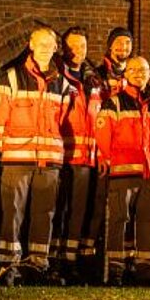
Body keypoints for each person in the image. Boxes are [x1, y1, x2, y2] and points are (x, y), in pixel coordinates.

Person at [0, 25, 68, 286]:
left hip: (49, 162)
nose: (47, 48)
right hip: (17, 159)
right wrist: (9, 147)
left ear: (56, 48)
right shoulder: (11, 77)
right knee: (13, 214)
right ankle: (8, 270)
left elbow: (65, 121)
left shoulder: (62, 82)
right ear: (31, 46)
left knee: (44, 214)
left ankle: (38, 267)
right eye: (41, 44)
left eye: (51, 44)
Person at [94, 56, 150, 286]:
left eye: (143, 70)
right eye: (133, 70)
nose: (139, 74)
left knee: (149, 222)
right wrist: (107, 158)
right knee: (118, 220)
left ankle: (145, 272)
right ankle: (116, 270)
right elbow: (103, 135)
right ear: (125, 74)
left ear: (149, 74)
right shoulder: (114, 102)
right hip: (123, 171)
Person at [80, 27, 133, 282]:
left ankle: (119, 268)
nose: (123, 48)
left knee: (122, 214)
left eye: (127, 44)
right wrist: (102, 152)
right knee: (96, 209)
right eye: (119, 44)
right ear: (110, 47)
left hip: (124, 158)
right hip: (101, 154)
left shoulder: (134, 77)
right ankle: (89, 266)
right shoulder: (96, 76)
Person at [52, 27, 102, 285]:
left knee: (79, 213)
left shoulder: (92, 81)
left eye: (82, 46)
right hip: (63, 155)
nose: (78, 51)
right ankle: (54, 263)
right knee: (60, 210)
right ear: (64, 48)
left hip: (86, 158)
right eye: (73, 46)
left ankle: (71, 263)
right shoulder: (56, 76)